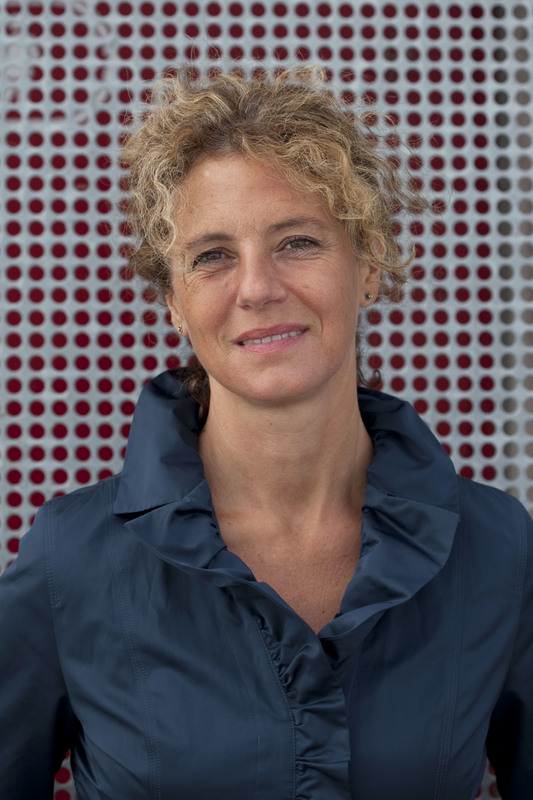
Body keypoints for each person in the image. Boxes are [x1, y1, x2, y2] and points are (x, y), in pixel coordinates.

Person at [0, 67, 531, 800]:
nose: (256, 287)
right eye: (212, 256)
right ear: (175, 302)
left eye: (297, 242)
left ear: (368, 264)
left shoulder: (497, 550)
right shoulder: (73, 558)